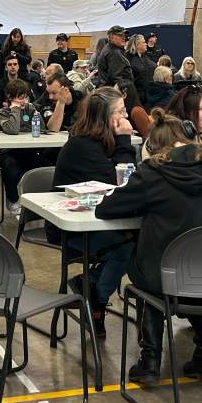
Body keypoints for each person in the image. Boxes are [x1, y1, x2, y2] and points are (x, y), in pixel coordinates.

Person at [95, 110, 202, 382]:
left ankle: (149, 362)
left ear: (153, 147)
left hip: (170, 279)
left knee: (151, 265)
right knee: (201, 265)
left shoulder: (152, 172)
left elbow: (107, 210)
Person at [52, 87, 138, 338]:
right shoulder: (82, 146)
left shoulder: (104, 140)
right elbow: (120, 181)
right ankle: (96, 300)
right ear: (104, 117)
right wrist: (124, 140)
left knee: (144, 238)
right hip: (72, 228)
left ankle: (90, 284)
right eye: (121, 112)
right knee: (128, 246)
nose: (126, 118)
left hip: (101, 221)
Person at [0, 78, 55, 219]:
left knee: (47, 168)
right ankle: (13, 201)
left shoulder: (30, 108)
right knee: (12, 169)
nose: (24, 101)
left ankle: (41, 204)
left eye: (25, 97)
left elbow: (42, 130)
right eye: (20, 98)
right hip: (8, 152)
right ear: (10, 97)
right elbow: (13, 130)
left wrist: (37, 118)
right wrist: (14, 109)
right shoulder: (3, 113)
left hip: (28, 151)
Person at [95, 26, 140, 108]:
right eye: (120, 35)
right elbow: (118, 78)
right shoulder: (114, 53)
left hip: (109, 93)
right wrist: (124, 93)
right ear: (111, 37)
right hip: (115, 95)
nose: (123, 37)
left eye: (124, 35)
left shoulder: (111, 49)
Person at [43, 69, 84, 134]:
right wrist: (61, 102)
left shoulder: (82, 100)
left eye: (54, 93)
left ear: (66, 90)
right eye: (48, 93)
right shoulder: (47, 101)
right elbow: (53, 129)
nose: (50, 97)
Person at [127, 34, 156, 109]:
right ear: (137, 45)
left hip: (148, 95)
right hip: (137, 97)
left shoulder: (144, 57)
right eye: (143, 42)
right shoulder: (129, 58)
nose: (146, 44)